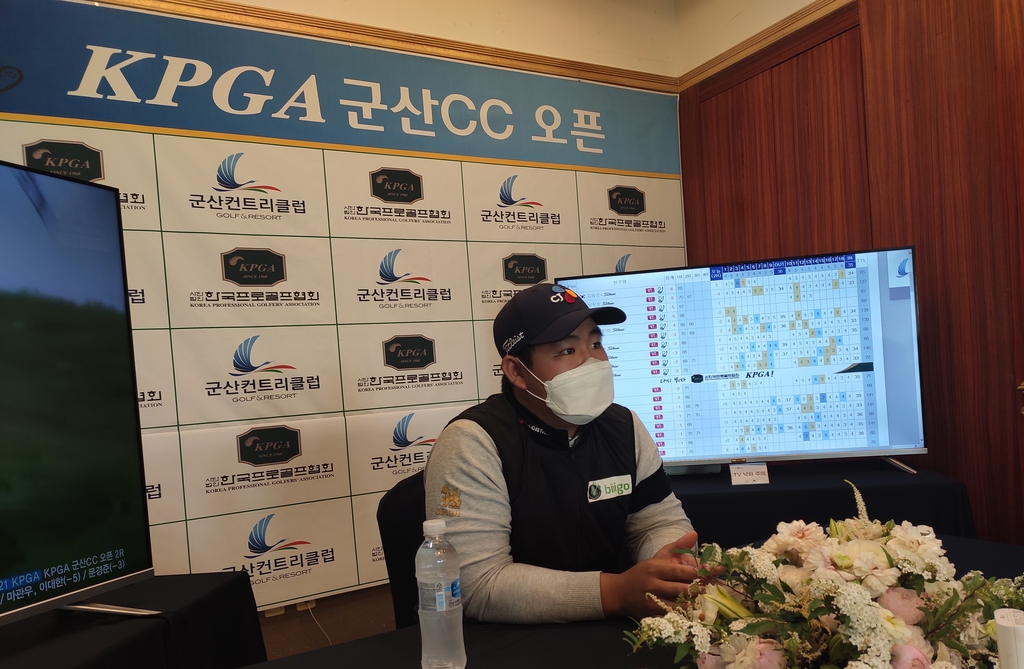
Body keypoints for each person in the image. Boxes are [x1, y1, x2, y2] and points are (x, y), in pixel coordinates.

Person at [423, 283, 700, 623]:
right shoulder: (474, 441)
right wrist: (614, 592)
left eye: (596, 344)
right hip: (511, 636)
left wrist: (668, 564)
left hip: (617, 628)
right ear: (516, 371)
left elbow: (659, 521)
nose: (592, 362)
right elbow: (478, 584)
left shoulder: (623, 425)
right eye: (567, 350)